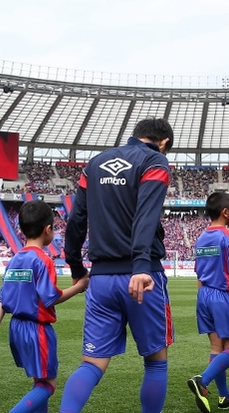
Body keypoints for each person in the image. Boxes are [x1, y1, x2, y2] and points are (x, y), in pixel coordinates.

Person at [60, 118, 175, 413]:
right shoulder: (155, 161)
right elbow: (146, 216)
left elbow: (76, 219)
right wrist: (140, 266)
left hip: (101, 279)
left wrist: (76, 267)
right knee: (155, 363)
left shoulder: (95, 164)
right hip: (142, 278)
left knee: (91, 365)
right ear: (163, 143)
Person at [0, 200, 89, 413]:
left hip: (16, 329)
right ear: (48, 229)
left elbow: (3, 299)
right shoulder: (43, 260)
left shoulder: (14, 260)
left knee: (40, 380)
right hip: (37, 331)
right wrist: (79, 287)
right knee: (48, 384)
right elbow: (51, 298)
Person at [187, 191, 229, 413]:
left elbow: (199, 272)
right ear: (225, 212)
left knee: (216, 347)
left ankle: (224, 397)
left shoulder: (201, 238)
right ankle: (202, 380)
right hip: (223, 296)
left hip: (203, 295)